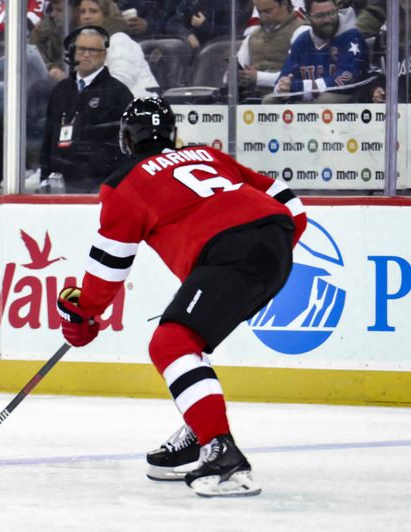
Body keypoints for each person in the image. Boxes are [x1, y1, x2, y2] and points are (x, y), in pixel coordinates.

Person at [56, 97, 307, 497]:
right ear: (172, 135)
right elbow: (286, 198)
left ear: (126, 140)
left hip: (232, 254)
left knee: (171, 343)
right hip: (274, 243)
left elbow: (109, 267)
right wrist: (272, 247)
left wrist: (81, 313)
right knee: (190, 338)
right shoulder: (205, 155)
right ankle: (199, 429)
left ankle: (221, 454)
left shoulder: (124, 185)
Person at [38, 26, 132, 193]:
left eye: (93, 50)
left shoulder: (118, 92)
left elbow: (124, 147)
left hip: (98, 185)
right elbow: (49, 137)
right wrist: (44, 177)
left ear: (104, 55)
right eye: (81, 49)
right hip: (60, 183)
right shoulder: (61, 89)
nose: (86, 54)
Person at [266, 0, 368, 103]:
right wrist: (284, 86)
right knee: (270, 100)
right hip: (307, 99)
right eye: (320, 16)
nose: (327, 20)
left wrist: (304, 87)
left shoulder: (351, 37)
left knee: (325, 99)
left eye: (331, 13)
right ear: (308, 17)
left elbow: (349, 77)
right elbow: (283, 79)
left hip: (347, 100)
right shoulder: (302, 40)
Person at [74, 0, 159, 99]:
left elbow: (121, 82)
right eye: (82, 12)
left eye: (93, 11)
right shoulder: (82, 44)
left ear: (107, 15)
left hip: (136, 105)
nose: (86, 16)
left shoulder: (119, 40)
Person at [237, 0, 308, 100]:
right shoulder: (252, 36)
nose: (262, 17)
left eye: (267, 11)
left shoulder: (302, 32)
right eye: (259, 11)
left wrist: (258, 78)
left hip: (285, 102)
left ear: (284, 4)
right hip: (250, 100)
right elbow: (236, 68)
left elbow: (298, 77)